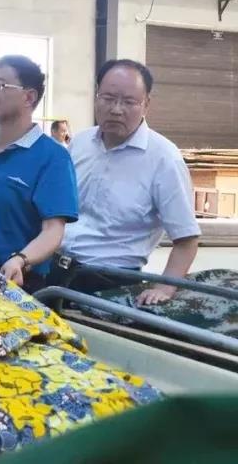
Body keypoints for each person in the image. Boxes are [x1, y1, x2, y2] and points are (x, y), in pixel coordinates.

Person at [51, 59, 200, 306]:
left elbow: (187, 240)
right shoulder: (80, 143)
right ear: (96, 96)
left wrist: (164, 288)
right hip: (55, 270)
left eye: (129, 102)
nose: (116, 109)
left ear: (146, 104)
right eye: (108, 98)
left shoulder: (163, 158)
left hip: (109, 284)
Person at [0, 56, 78, 293]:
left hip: (16, 281)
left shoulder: (53, 157)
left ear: (29, 97)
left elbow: (53, 230)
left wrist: (21, 260)